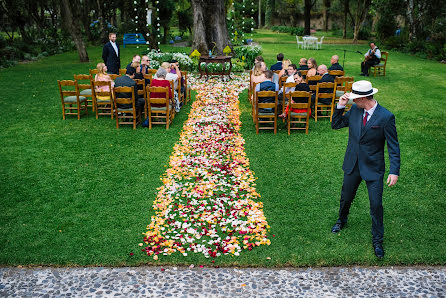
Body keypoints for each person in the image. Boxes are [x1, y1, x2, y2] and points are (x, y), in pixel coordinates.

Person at [331, 80, 400, 259]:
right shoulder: (354, 110)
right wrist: (340, 106)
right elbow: (336, 124)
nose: (352, 101)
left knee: (376, 205)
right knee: (346, 197)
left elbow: (393, 146)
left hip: (373, 167)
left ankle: (377, 240)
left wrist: (394, 170)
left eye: (355, 98)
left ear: (364, 98)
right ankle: (341, 220)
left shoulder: (386, 117)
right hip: (352, 164)